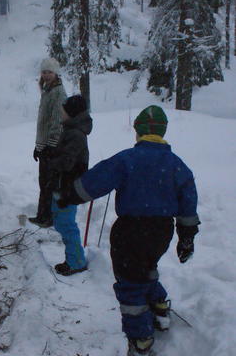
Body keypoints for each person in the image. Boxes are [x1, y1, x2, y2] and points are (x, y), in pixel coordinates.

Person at [58, 105, 200, 356]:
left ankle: (141, 339)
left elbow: (95, 182)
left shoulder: (126, 159)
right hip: (161, 232)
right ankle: (158, 304)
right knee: (146, 267)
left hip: (131, 230)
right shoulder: (177, 165)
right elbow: (188, 200)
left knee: (130, 281)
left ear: (138, 132)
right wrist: (186, 237)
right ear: (163, 132)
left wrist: (70, 195)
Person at [49, 95, 91, 276]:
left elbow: (68, 162)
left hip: (68, 187)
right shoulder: (71, 130)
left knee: (66, 224)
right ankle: (74, 258)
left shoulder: (75, 134)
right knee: (62, 222)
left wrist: (51, 160)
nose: (61, 112)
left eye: (64, 110)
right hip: (64, 184)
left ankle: (77, 261)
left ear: (72, 114)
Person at [29, 58, 67, 228]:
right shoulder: (46, 91)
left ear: (55, 73)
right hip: (44, 146)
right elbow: (43, 123)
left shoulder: (58, 92)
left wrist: (51, 145)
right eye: (44, 72)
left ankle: (48, 217)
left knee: (49, 183)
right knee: (43, 182)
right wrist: (38, 147)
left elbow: (57, 121)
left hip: (52, 147)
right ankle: (41, 215)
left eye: (49, 72)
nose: (46, 75)